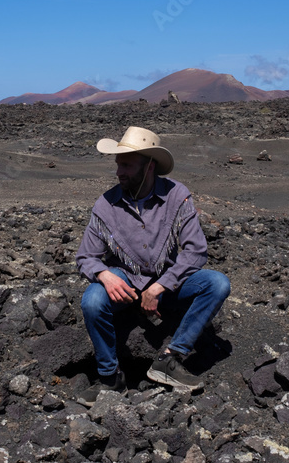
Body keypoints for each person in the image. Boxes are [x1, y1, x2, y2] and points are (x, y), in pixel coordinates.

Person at [75, 126, 230, 404]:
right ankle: (110, 379)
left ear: (149, 166)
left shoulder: (176, 195)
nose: (119, 172)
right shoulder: (105, 204)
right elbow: (86, 257)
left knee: (217, 283)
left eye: (126, 165)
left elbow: (196, 251)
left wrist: (160, 286)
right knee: (92, 301)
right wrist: (106, 276)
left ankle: (169, 360)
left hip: (166, 284)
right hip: (124, 285)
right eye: (118, 164)